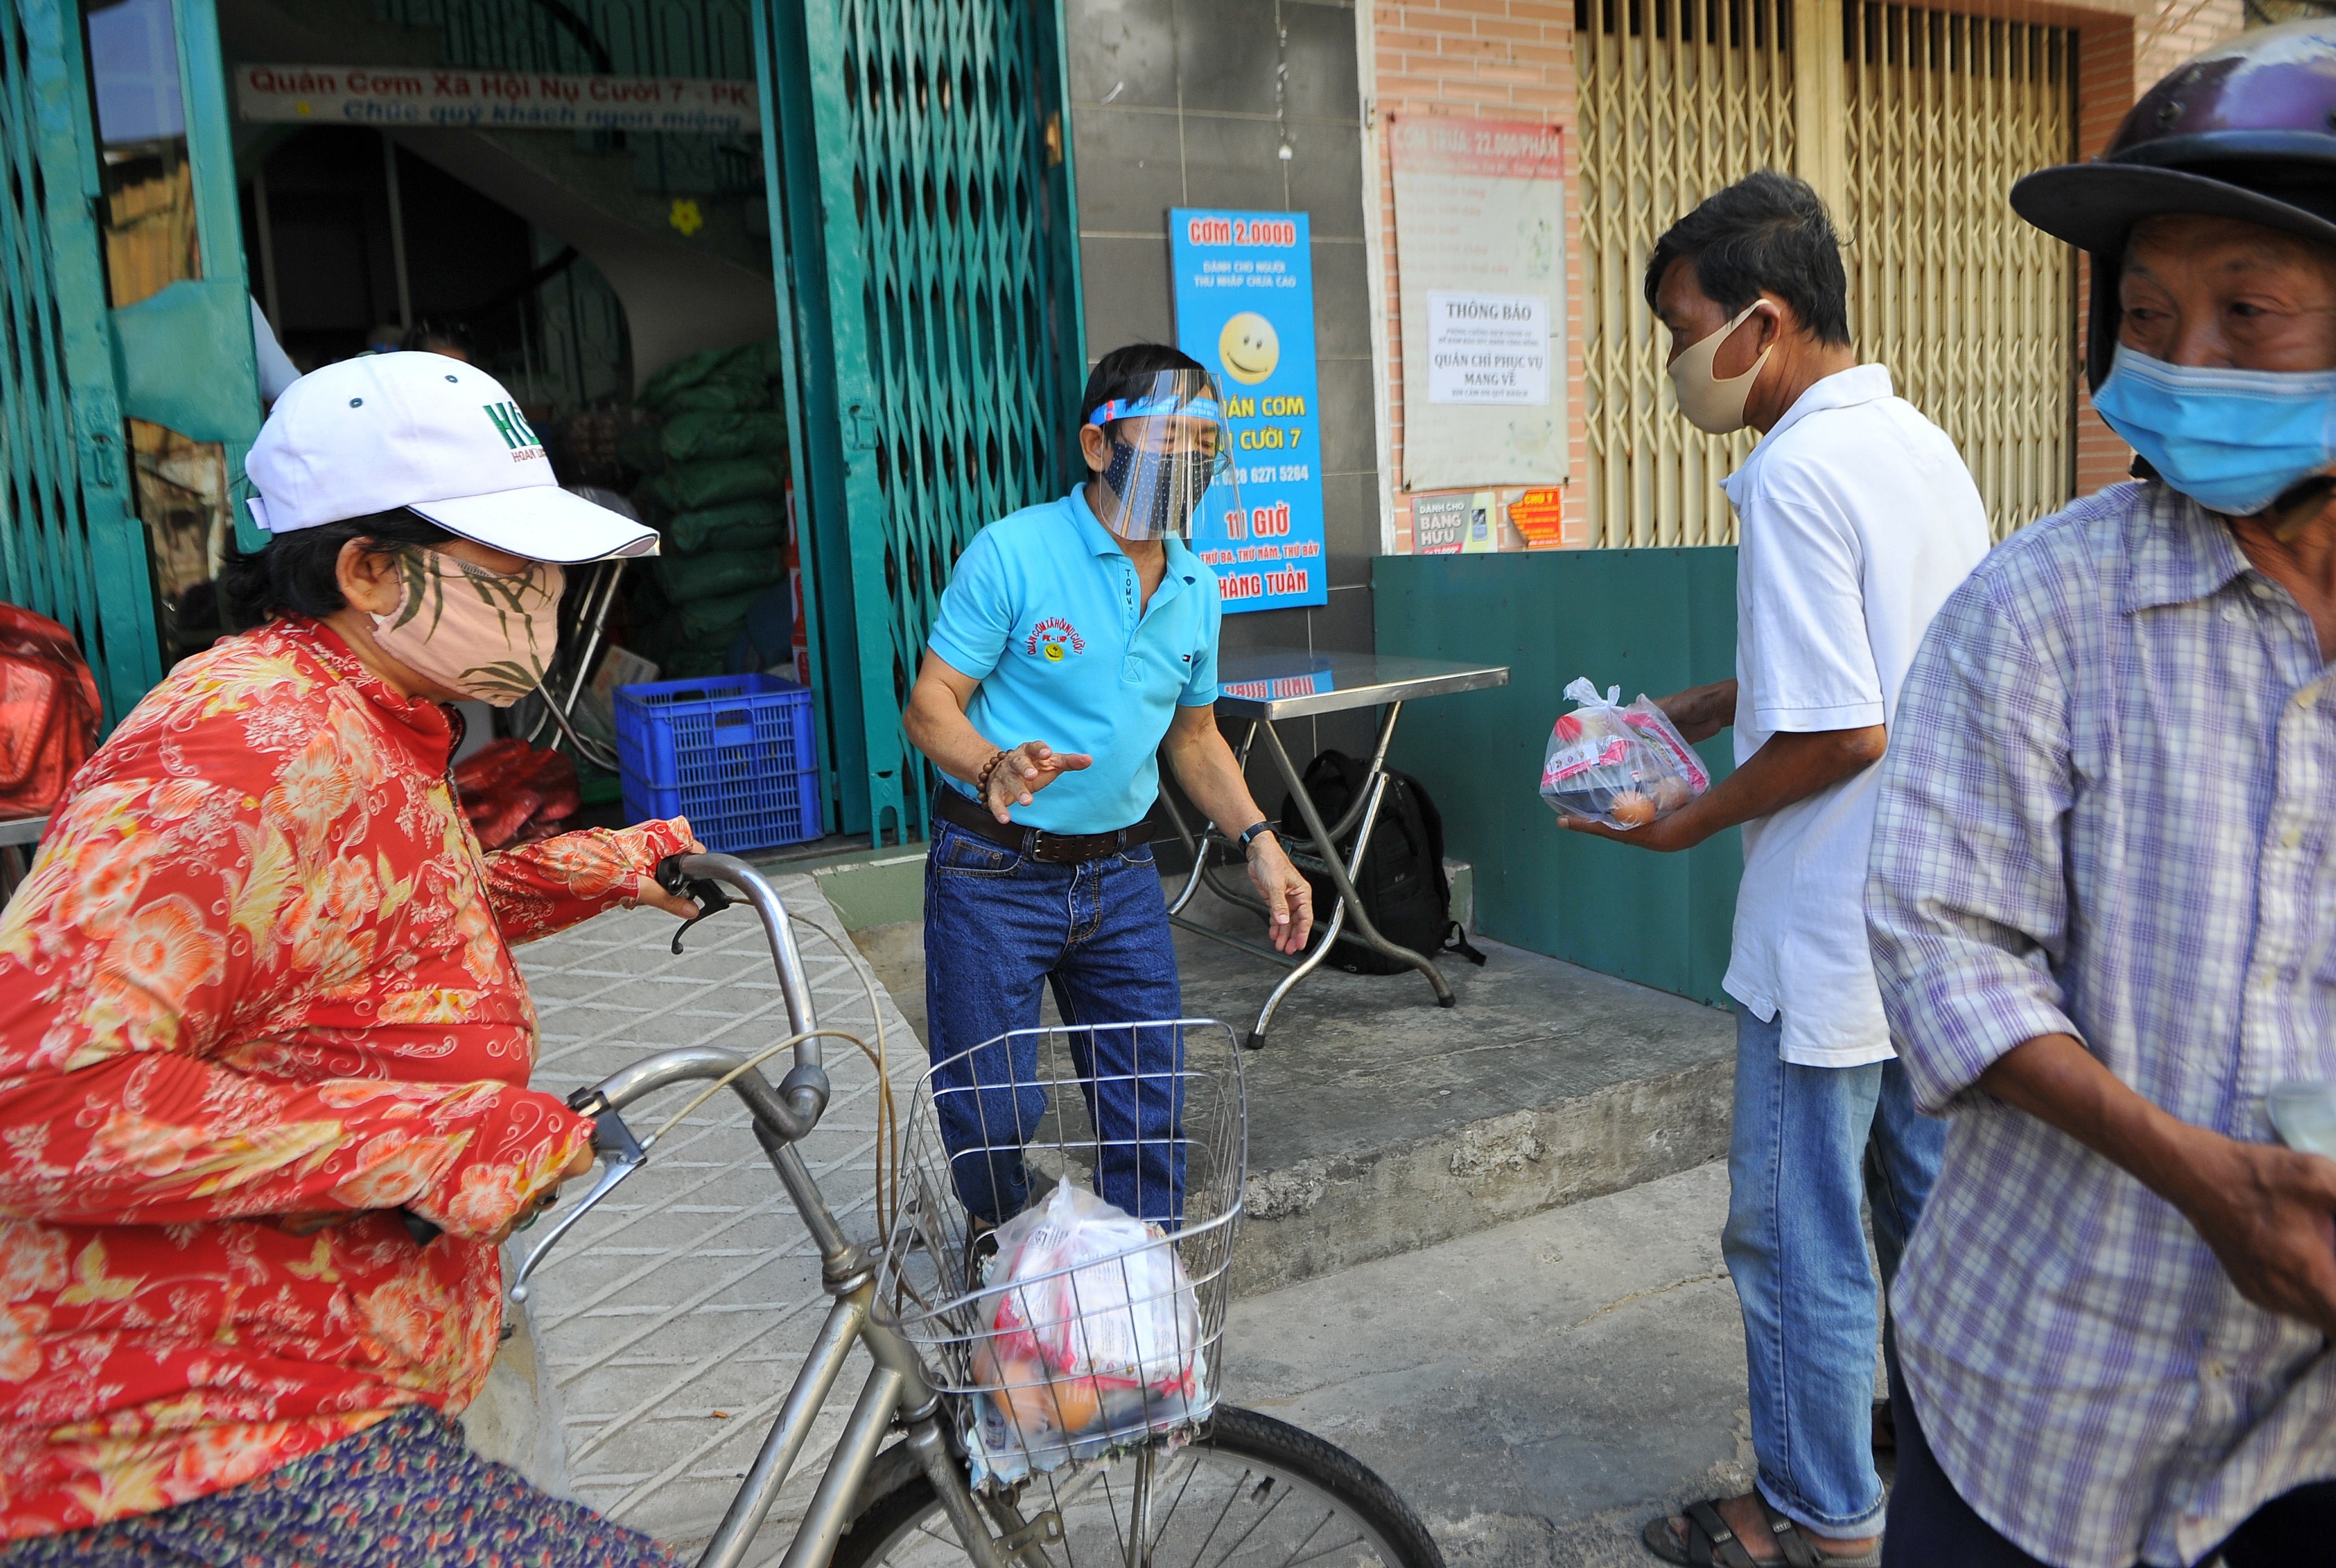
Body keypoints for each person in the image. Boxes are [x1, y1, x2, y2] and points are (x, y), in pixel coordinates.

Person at [0, 352, 699, 1561]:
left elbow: (367, 921)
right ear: (367, 569)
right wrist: (443, 1138)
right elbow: (42, 1092)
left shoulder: (363, 713)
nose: (548, 602)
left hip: (328, 1361)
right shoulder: (245, 740)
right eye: (512, 572)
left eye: (552, 574)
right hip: (186, 1414)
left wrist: (600, 868)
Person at [1866, 19, 2336, 1567]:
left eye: (2246, 312)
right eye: (2145, 313)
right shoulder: (2041, 609)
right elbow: (1942, 942)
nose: (2183, 358)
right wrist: (2204, 1180)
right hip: (2046, 1397)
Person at [1564, 173, 1990, 1566]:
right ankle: (1951, 1469)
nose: (1673, 359)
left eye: (1680, 328)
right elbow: (1883, 659)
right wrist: (1700, 707)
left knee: (1795, 1238)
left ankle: (1814, 1517)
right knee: (1926, 1218)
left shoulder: (1798, 473)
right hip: (1931, 920)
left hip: (1825, 931)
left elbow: (1845, 728)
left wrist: (1682, 821)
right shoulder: (1918, 444)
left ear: (1762, 321)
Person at [900, 344, 1313, 1231]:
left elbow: (1194, 739)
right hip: (993, 872)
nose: (1192, 460)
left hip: (1121, 877)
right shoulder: (1014, 552)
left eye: (1205, 442)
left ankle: (1145, 1281)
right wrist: (992, 765)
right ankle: (1006, 1244)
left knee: (1148, 1112)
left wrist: (1260, 840)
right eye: (1170, 438)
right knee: (991, 1117)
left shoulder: (1197, 586)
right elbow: (930, 705)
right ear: (1099, 447)